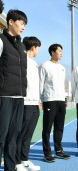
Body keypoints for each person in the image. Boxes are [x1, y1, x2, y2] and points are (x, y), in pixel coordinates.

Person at [0, 9, 28, 171]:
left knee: (13, 136)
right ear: (10, 22)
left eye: (25, 24)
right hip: (4, 96)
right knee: (1, 135)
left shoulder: (21, 46)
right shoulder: (1, 40)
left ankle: (10, 168)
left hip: (19, 96)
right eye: (21, 23)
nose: (23, 26)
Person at [39, 44, 71, 162]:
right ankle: (47, 153)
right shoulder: (44, 66)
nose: (61, 53)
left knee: (59, 127)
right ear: (52, 52)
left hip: (61, 100)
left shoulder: (62, 68)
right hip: (49, 100)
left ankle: (58, 151)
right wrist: (40, 100)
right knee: (47, 128)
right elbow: (40, 84)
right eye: (59, 51)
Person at [15, 37, 41, 171]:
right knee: (21, 133)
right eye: (38, 48)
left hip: (34, 103)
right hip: (25, 103)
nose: (38, 51)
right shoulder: (21, 60)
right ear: (33, 47)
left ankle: (25, 159)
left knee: (29, 134)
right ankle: (17, 162)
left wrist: (38, 100)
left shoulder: (34, 63)